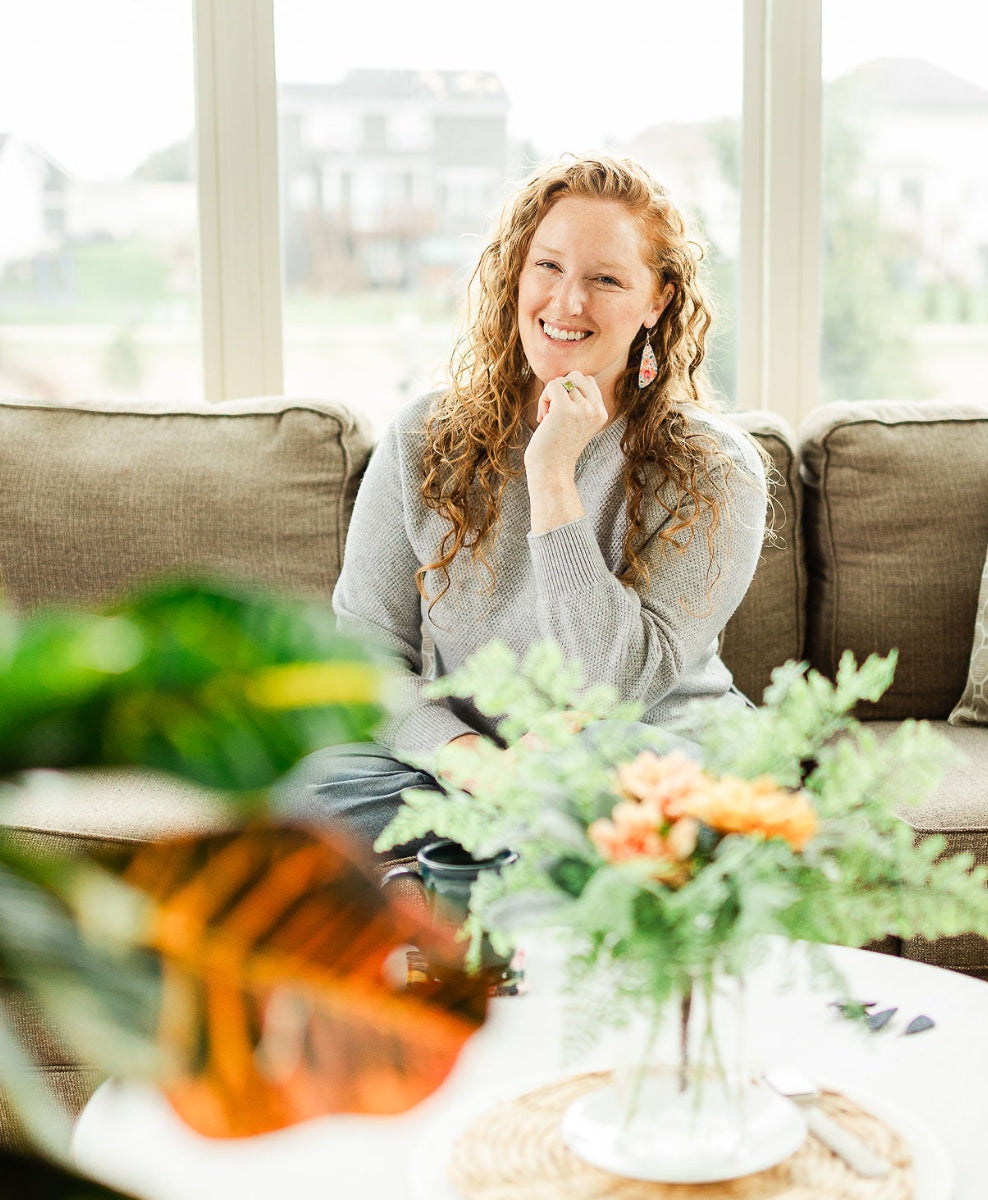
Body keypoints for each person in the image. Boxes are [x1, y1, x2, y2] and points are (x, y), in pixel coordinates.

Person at [286, 154, 768, 858]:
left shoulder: (716, 469)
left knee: (602, 780)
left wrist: (552, 476)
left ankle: (465, 872)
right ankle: (525, 862)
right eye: (548, 267)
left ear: (658, 301)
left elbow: (608, 687)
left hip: (640, 755)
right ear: (517, 272)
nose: (568, 303)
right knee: (310, 793)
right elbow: (365, 661)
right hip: (475, 766)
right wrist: (477, 764)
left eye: (606, 279)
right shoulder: (424, 437)